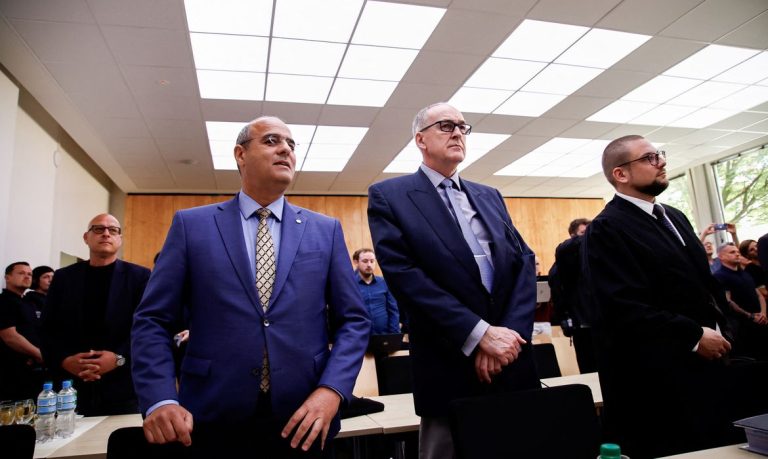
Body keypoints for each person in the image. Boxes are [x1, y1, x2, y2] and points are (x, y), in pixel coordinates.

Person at [131, 116, 370, 458]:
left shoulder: (325, 230)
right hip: (211, 417)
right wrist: (160, 398)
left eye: (291, 144)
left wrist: (332, 390)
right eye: (272, 141)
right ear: (240, 155)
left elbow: (355, 321)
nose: (286, 149)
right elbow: (152, 320)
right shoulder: (192, 226)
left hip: (305, 418)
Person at [368, 102, 539, 459]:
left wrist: (506, 335)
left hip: (510, 361)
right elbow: (404, 275)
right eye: (446, 126)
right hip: (449, 363)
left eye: (463, 126)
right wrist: (478, 334)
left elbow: (524, 261)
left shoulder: (488, 195)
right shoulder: (390, 196)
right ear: (420, 139)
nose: (458, 132)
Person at [583, 135, 740, 458]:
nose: (662, 162)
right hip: (655, 381)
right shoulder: (607, 228)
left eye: (660, 155)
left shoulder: (674, 216)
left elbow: (703, 284)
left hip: (706, 369)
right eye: (649, 158)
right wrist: (694, 336)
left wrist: (724, 331)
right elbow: (621, 307)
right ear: (621, 174)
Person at [41, 214, 151, 416]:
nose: (106, 234)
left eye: (113, 230)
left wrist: (119, 358)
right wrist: (64, 360)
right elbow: (48, 328)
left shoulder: (140, 277)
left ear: (120, 238)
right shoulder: (64, 277)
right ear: (86, 237)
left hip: (122, 383)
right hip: (71, 383)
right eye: (98, 229)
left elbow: (146, 328)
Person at [551, 218, 597, 373]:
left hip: (602, 325)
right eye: (583, 233)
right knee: (589, 370)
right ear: (572, 236)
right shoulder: (563, 260)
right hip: (582, 326)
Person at [714, 243, 768, 359]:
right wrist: (750, 316)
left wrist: (763, 313)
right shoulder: (719, 276)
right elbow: (728, 301)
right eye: (732, 252)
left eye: (737, 251)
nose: (737, 254)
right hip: (742, 327)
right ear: (721, 257)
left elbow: (758, 295)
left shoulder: (745, 273)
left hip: (761, 321)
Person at [0, 262, 43, 400]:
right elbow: (10, 336)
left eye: (29, 274)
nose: (27, 277)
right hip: (11, 372)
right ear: (7, 277)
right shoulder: (4, 301)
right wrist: (40, 355)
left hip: (31, 370)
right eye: (21, 273)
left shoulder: (27, 302)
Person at [352, 248, 399, 335]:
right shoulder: (349, 285)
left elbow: (393, 310)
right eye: (365, 261)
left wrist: (394, 336)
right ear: (356, 262)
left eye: (372, 261)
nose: (369, 265)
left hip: (383, 337)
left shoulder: (384, 283)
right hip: (358, 337)